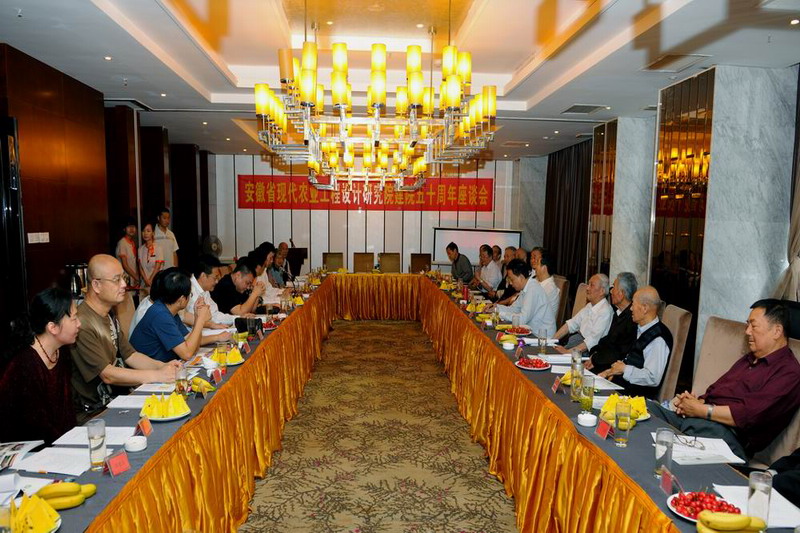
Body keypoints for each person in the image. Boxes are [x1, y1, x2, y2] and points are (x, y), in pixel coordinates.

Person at [650, 300, 800, 460]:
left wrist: (701, 410)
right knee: (644, 409)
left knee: (664, 452)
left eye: (754, 326)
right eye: (747, 325)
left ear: (777, 331)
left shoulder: (789, 372)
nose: (747, 331)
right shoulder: (749, 359)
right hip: (698, 421)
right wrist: (693, 403)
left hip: (726, 437)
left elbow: (749, 414)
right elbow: (715, 391)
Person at [70, 255, 180, 419]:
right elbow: (108, 374)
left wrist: (163, 366)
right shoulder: (82, 323)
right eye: (116, 280)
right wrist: (157, 375)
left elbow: (131, 355)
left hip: (116, 401)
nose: (124, 285)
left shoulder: (108, 314)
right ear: (96, 285)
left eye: (124, 278)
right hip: (94, 414)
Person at [0, 288, 79, 444]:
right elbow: (34, 426)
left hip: (59, 442)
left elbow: (66, 410)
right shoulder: (24, 365)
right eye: (74, 319)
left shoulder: (61, 352)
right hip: (27, 446)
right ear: (52, 327)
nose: (79, 324)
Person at [130, 270, 228, 362]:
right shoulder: (160, 315)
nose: (190, 298)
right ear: (181, 299)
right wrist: (200, 320)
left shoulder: (169, 310)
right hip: (148, 371)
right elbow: (187, 354)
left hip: (166, 365)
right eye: (190, 295)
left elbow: (190, 341)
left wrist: (198, 317)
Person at [597, 286, 673, 399]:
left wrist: (624, 369)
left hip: (635, 399)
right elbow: (630, 358)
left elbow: (652, 378)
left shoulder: (658, 339)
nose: (631, 309)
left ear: (644, 308)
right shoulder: (638, 328)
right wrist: (611, 371)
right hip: (620, 388)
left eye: (633, 304)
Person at [485, 259, 556, 336]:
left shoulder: (533, 288)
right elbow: (514, 309)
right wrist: (495, 308)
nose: (510, 283)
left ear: (521, 277)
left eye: (512, 279)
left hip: (541, 337)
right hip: (532, 332)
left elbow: (522, 319)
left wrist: (499, 313)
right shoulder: (526, 288)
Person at [585, 272, 638, 374]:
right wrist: (594, 352)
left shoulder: (632, 320)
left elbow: (619, 353)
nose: (610, 291)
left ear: (621, 294)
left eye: (613, 287)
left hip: (614, 370)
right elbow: (608, 340)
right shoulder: (618, 313)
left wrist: (595, 359)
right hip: (602, 360)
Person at [554, 273, 613, 353]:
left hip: (586, 351)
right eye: (588, 284)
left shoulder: (605, 311)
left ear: (602, 291)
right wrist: (551, 341)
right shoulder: (590, 305)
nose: (587, 288)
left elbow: (592, 341)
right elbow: (571, 324)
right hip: (576, 343)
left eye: (592, 285)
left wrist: (567, 352)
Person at [183, 259, 238, 327]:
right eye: (215, 278)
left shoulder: (204, 289)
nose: (217, 281)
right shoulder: (187, 288)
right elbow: (197, 320)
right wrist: (212, 325)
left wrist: (238, 318)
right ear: (203, 276)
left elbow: (214, 315)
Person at [531, 247, 560, 319]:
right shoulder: (538, 282)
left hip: (540, 324)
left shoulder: (549, 288)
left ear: (544, 268)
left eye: (537, 264)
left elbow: (533, 311)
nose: (535, 267)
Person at [138, 222, 163, 295]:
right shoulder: (140, 249)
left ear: (153, 233)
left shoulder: (158, 248)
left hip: (155, 282)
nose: (145, 233)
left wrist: (150, 280)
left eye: (148, 231)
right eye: (143, 231)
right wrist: (146, 280)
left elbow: (157, 267)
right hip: (144, 284)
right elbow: (140, 267)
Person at [115, 218, 139, 289]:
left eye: (133, 226)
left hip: (132, 279)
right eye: (129, 226)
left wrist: (135, 277)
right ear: (124, 229)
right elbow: (125, 265)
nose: (131, 229)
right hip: (125, 279)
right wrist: (136, 277)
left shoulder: (132, 242)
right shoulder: (122, 243)